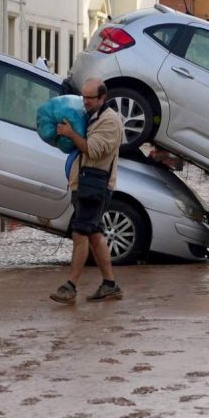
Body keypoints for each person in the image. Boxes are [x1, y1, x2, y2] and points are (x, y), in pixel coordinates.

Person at [49, 78, 125, 304]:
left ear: (102, 98)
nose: (85, 101)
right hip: (84, 184)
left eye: (89, 98)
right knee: (94, 234)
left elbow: (92, 150)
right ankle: (110, 284)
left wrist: (71, 133)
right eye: (83, 97)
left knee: (79, 233)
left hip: (96, 187)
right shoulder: (91, 116)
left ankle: (70, 287)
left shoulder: (110, 122)